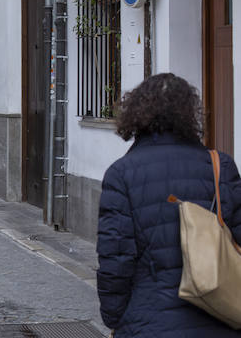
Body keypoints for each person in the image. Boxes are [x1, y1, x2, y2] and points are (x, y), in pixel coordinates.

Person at [97, 73, 241, 337]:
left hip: (148, 320)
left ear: (136, 113)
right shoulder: (221, 166)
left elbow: (116, 259)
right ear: (190, 114)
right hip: (220, 316)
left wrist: (117, 317)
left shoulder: (121, 174)